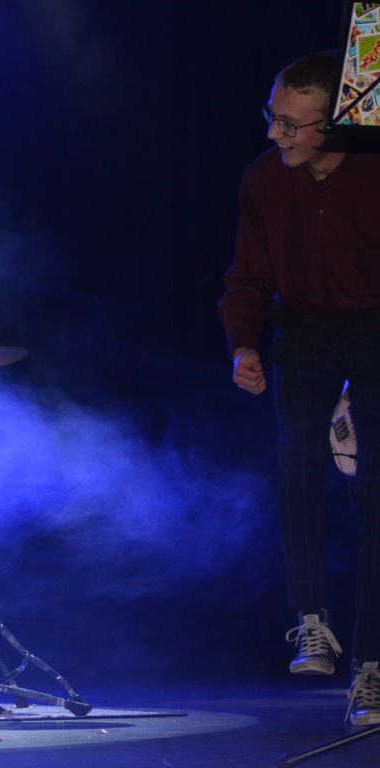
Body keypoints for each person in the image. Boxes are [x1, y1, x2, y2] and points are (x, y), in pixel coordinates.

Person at [218, 51, 380, 727]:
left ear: (332, 125)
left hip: (374, 327)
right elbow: (247, 276)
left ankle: (372, 664)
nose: (272, 134)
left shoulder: (372, 175)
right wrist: (244, 345)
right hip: (306, 330)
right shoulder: (264, 180)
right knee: (295, 471)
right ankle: (312, 621)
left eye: (289, 124)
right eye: (271, 117)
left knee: (374, 490)